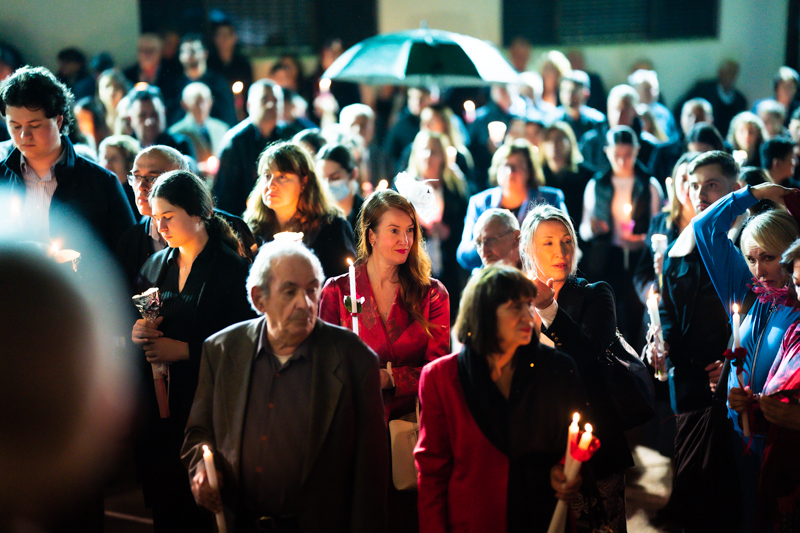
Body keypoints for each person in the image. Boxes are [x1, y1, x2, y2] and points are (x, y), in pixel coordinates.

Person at [181, 240, 388, 532]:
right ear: (259, 298)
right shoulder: (222, 350)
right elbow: (199, 432)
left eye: (312, 289)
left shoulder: (354, 359)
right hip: (240, 523)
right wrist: (202, 468)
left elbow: (371, 475)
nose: (304, 303)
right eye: (290, 291)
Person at [415, 265, 585, 532]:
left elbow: (572, 441)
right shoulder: (441, 378)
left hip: (541, 516)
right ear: (483, 314)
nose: (529, 316)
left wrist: (562, 470)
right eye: (515, 307)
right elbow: (433, 474)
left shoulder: (557, 369)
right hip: (475, 521)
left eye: (529, 305)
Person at [131, 169, 256, 532]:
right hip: (162, 412)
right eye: (156, 219)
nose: (161, 227)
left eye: (168, 217)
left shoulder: (231, 269)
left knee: (205, 513)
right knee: (167, 511)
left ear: (198, 213)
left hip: (207, 408)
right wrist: (139, 332)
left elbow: (243, 342)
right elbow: (139, 317)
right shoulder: (156, 265)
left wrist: (185, 350)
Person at [319, 188, 450, 532]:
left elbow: (438, 372)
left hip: (410, 429)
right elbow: (322, 368)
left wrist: (391, 378)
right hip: (354, 428)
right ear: (371, 234)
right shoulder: (337, 291)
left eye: (410, 231)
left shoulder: (432, 294)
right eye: (394, 230)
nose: (405, 239)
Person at [694, 176, 800, 531]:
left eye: (769, 258)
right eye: (750, 258)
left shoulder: (799, 305)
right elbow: (705, 227)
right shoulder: (749, 290)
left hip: (782, 447)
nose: (759, 270)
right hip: (735, 438)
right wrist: (752, 194)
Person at [646, 151, 745, 531]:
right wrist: (664, 343)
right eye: (693, 185)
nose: (700, 194)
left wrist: (734, 362)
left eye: (711, 185)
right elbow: (667, 308)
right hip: (686, 376)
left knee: (723, 480)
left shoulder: (739, 246)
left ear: (734, 190)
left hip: (729, 377)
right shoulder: (678, 247)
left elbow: (751, 314)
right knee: (688, 467)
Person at [519, 204, 633, 531]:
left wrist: (549, 308)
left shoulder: (596, 295)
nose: (561, 251)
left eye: (567, 241)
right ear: (528, 249)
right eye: (549, 242)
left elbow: (586, 354)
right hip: (540, 444)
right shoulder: (517, 304)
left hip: (594, 437)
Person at [0, 65, 135, 251]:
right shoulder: (2, 178)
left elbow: (128, 255)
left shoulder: (100, 183)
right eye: (15, 126)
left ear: (58, 119)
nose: (24, 136)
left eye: (35, 125)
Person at [115, 145, 256, 289]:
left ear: (184, 179)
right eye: (137, 177)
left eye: (152, 178)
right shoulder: (130, 242)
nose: (141, 186)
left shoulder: (233, 227)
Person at [580, 126, 664, 343]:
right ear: (607, 151)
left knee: (637, 314)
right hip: (608, 259)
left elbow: (658, 228)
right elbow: (584, 229)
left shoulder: (649, 185)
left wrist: (642, 241)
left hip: (639, 260)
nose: (622, 161)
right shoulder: (597, 184)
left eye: (628, 155)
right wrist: (594, 228)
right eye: (616, 155)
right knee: (609, 313)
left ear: (637, 150)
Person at [244, 141, 355, 278]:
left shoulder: (332, 229)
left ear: (304, 182)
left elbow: (343, 286)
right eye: (267, 176)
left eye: (282, 177)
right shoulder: (252, 230)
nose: (271, 185)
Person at [749, 239, 800, 531]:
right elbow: (774, 391)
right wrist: (752, 401)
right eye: (798, 284)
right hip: (783, 476)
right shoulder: (795, 329)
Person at [457, 138, 567, 273]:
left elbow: (564, 244)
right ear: (496, 169)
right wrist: (492, 242)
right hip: (490, 279)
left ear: (530, 171)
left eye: (517, 166)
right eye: (505, 165)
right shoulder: (480, 203)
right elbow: (464, 255)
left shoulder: (549, 199)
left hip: (538, 277)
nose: (510, 172)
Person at [406, 130, 469, 313]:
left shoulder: (455, 189)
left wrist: (449, 231)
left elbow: (467, 223)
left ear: (443, 156)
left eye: (434, 151)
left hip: (448, 269)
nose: (428, 156)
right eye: (424, 150)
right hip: (414, 271)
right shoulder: (405, 190)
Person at [213, 80, 294, 215]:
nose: (270, 105)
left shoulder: (289, 136)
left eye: (275, 100)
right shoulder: (236, 141)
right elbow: (224, 194)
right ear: (249, 105)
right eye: (264, 99)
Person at [540, 121, 596, 234]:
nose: (554, 144)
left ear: (570, 143)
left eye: (559, 139)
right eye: (549, 139)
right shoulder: (538, 176)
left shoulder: (586, 175)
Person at [673, 59, 747, 138]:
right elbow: (679, 110)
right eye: (728, 73)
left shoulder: (740, 100)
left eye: (733, 73)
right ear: (720, 73)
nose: (730, 77)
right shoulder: (703, 90)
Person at [176, 34, 237, 128]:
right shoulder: (175, 86)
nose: (190, 55)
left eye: (194, 51)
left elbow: (228, 117)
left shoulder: (219, 84)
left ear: (205, 53)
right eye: (185, 51)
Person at [125, 85, 195, 158]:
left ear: (164, 113)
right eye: (142, 115)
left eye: (154, 114)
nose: (149, 122)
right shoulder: (125, 150)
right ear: (130, 118)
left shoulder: (180, 146)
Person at [168, 81, 230, 163]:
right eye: (196, 102)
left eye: (204, 101)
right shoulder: (176, 133)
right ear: (184, 104)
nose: (201, 107)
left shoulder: (222, 128)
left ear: (211, 102)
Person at [546, 70, 606, 141]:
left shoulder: (597, 122)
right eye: (564, 90)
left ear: (586, 93)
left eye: (573, 91)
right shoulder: (552, 120)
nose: (568, 95)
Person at [315, 143, 362, 231]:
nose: (328, 183)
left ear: (353, 174)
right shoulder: (317, 216)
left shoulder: (367, 214)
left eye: (335, 178)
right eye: (322, 178)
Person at [628, 69, 679, 142]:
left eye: (654, 89)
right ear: (636, 90)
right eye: (647, 89)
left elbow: (665, 138)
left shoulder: (663, 113)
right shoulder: (631, 113)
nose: (652, 93)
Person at [98, 134, 140, 215]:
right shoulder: (102, 193)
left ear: (129, 162)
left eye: (113, 159)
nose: (107, 164)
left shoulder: (137, 195)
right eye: (105, 158)